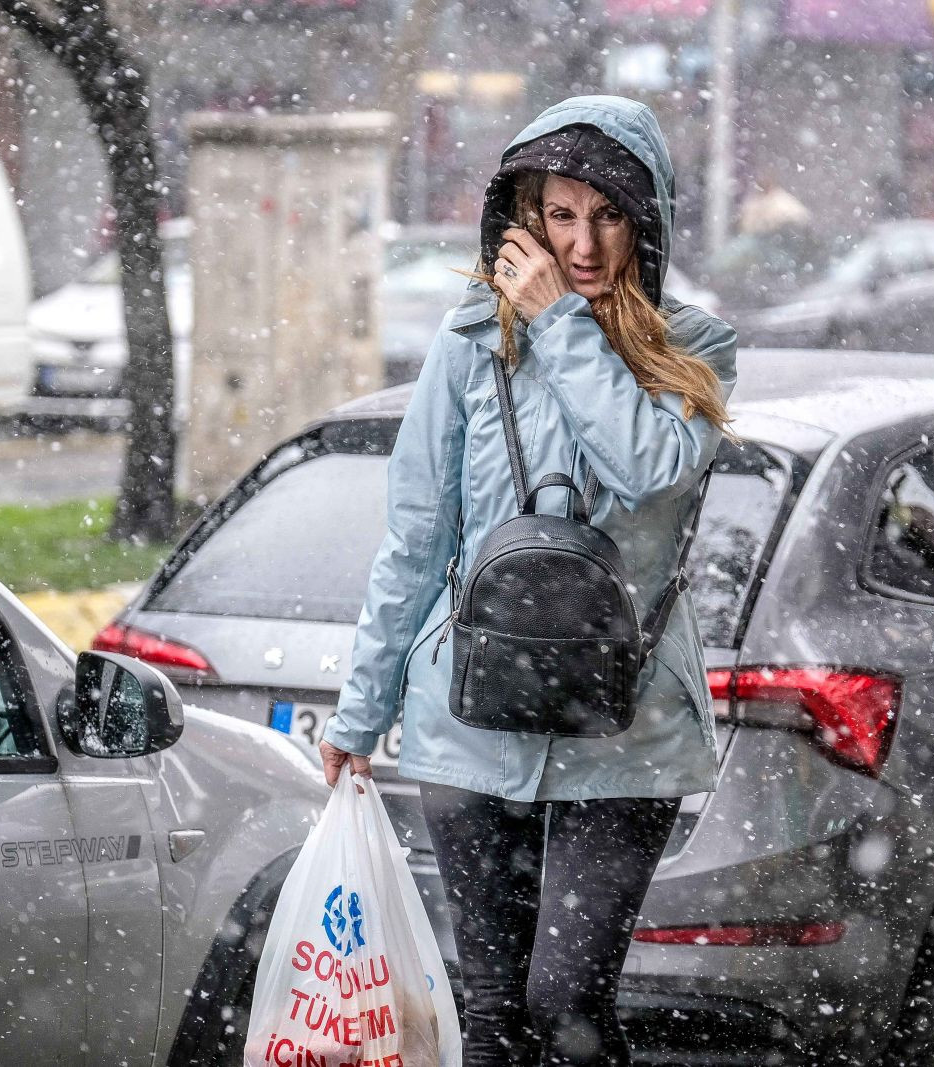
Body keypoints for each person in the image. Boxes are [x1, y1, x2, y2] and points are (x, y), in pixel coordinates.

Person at [317, 95, 737, 1067]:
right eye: (560, 214)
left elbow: (650, 469)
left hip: (624, 720)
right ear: (524, 217)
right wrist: (360, 710)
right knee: (493, 1014)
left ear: (647, 219)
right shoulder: (469, 341)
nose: (583, 243)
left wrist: (560, 324)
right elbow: (417, 536)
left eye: (609, 215)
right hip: (470, 710)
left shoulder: (696, 346)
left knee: (566, 1001)